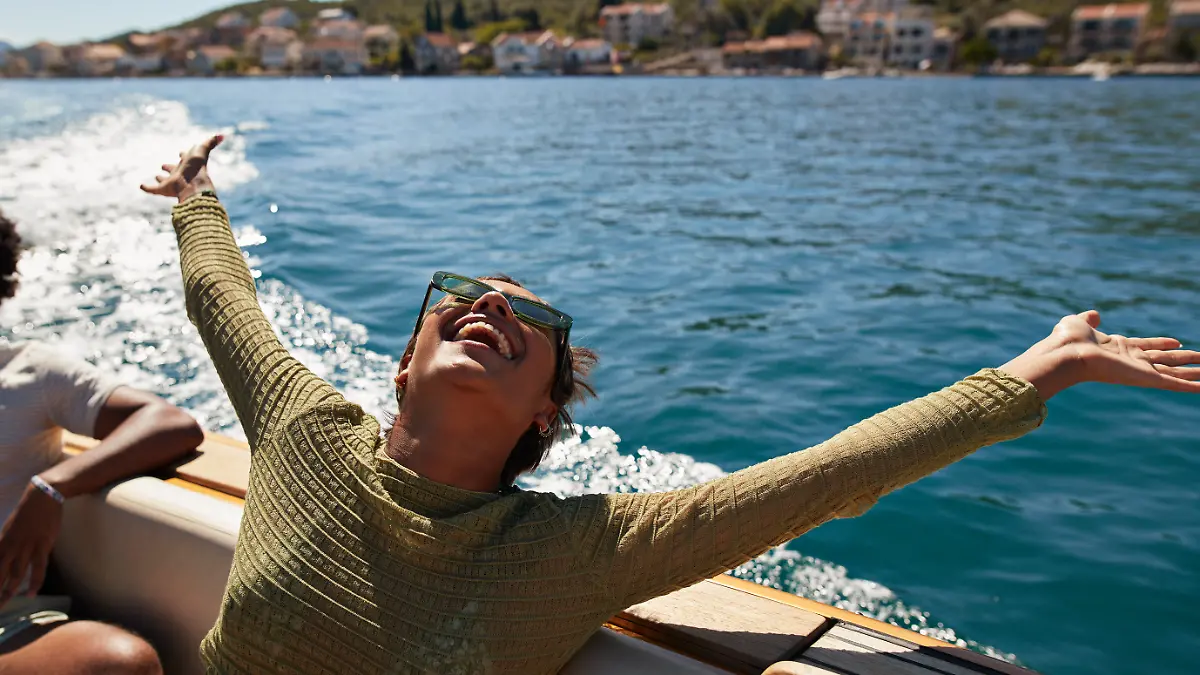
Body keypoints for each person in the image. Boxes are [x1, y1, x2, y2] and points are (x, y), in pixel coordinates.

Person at [142, 136, 1200, 675]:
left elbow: (826, 477)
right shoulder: (300, 428)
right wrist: (197, 196)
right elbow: (221, 294)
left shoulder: (582, 550)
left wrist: (1043, 370)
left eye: (532, 314)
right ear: (403, 368)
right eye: (463, 296)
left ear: (544, 419)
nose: (493, 302)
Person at [0, 209, 206, 673]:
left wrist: (50, 487)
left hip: (10, 625)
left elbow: (168, 423)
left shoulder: (32, 372)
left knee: (121, 663)